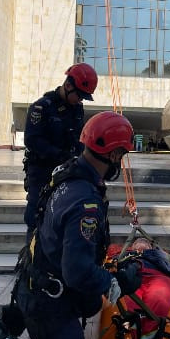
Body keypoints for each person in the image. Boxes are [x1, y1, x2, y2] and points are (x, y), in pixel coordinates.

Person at [13, 111, 142, 339]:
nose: (120, 162)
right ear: (114, 154)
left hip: (37, 284)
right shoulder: (85, 202)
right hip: (50, 308)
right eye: (121, 155)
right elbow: (77, 271)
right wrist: (115, 282)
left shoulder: (67, 173)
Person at [22, 63, 98, 241]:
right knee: (35, 218)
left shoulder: (77, 109)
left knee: (63, 216)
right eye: (79, 95)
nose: (80, 100)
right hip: (42, 171)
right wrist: (61, 156)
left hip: (67, 172)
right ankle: (29, 262)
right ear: (68, 85)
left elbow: (79, 139)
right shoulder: (42, 107)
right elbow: (32, 141)